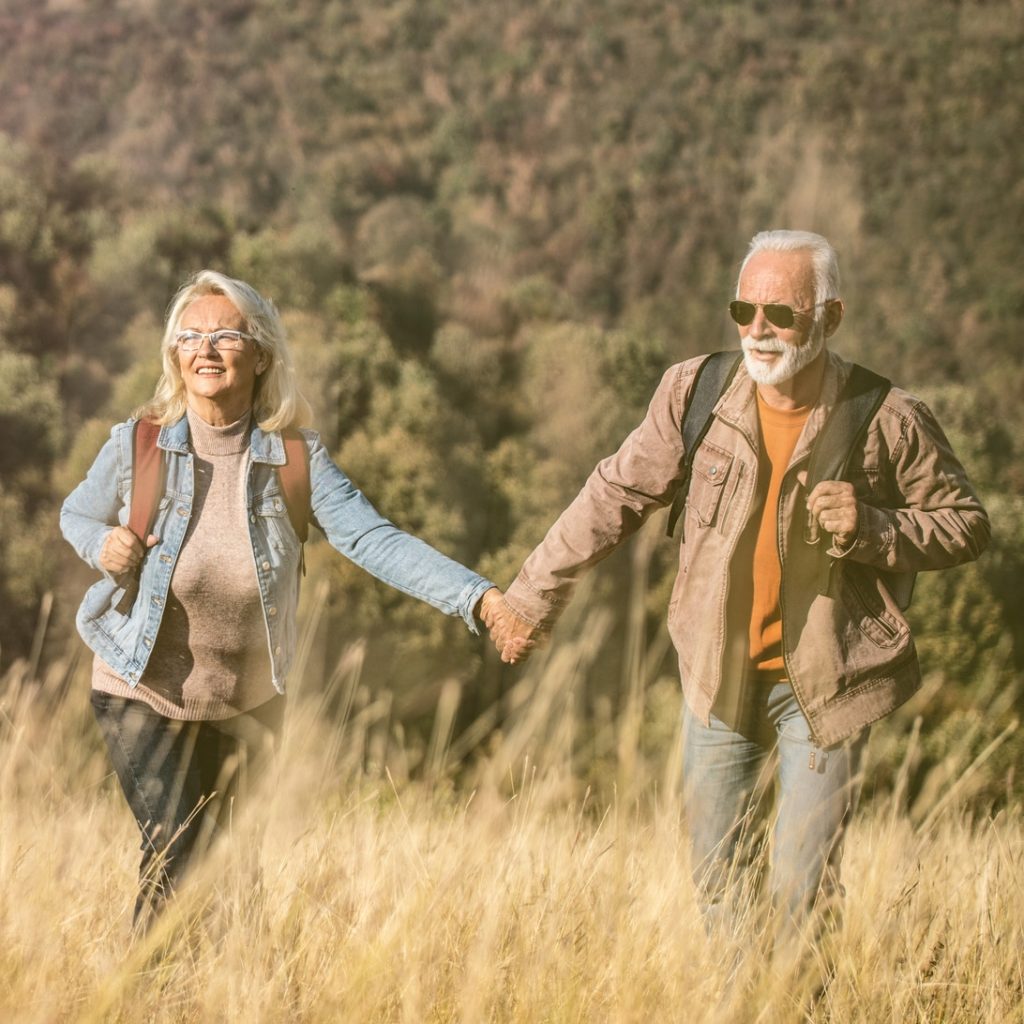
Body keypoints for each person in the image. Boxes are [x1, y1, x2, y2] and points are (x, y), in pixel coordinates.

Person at [485, 230, 990, 943]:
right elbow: (613, 495)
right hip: (716, 683)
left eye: (781, 314)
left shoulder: (887, 415)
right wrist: (532, 596)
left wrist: (874, 527)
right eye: (744, 310)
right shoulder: (695, 392)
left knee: (798, 893)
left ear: (830, 318)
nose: (759, 329)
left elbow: (966, 523)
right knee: (720, 883)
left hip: (826, 690)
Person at [61, 270, 504, 929]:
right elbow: (77, 514)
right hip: (137, 686)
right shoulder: (139, 443)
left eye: (225, 335)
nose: (205, 348)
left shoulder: (296, 460)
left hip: (249, 701)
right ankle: (151, 1001)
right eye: (191, 336)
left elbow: (374, 539)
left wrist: (480, 599)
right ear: (174, 355)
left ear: (261, 354)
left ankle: (232, 994)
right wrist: (104, 546)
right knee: (177, 850)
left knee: (235, 874)